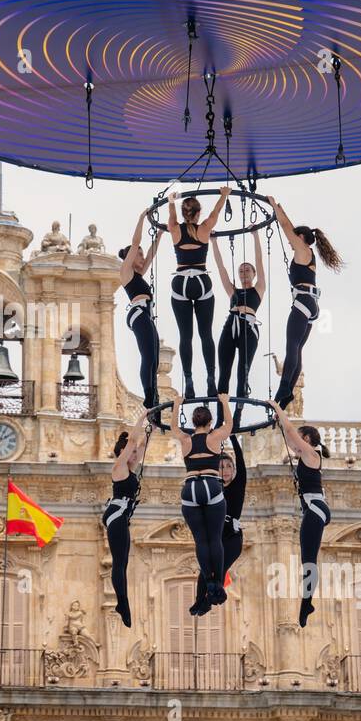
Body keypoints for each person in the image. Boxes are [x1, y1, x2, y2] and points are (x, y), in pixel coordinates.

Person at [268, 196, 343, 410]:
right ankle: (288, 391)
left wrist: (273, 205)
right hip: (311, 304)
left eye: (294, 238)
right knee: (297, 348)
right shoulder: (307, 254)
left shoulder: (303, 250)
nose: (290, 243)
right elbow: (288, 225)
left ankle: (284, 387)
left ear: (300, 237)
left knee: (292, 345)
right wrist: (279, 209)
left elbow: (285, 226)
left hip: (303, 301)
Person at [269, 399, 332, 627]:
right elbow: (289, 439)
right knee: (308, 560)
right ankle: (307, 603)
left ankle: (307, 604)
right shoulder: (308, 457)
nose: (295, 446)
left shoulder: (311, 455)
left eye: (299, 440)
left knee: (309, 561)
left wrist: (277, 408)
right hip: (316, 509)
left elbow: (290, 432)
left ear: (306, 439)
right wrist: (278, 424)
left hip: (315, 509)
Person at [169, 391, 232, 607]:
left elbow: (173, 426)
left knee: (201, 541)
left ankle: (209, 581)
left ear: (193, 422)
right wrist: (224, 402)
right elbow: (229, 425)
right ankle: (218, 582)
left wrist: (177, 405)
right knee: (215, 538)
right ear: (210, 422)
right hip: (211, 485)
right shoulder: (214, 438)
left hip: (191, 489)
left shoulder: (185, 440)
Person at [166, 186, 229, 399]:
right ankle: (211, 379)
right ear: (198, 213)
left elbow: (171, 215)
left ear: (184, 213)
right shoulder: (205, 228)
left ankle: (189, 381)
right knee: (206, 334)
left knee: (186, 336)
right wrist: (224, 195)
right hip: (202, 281)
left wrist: (171, 201)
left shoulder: (174, 229)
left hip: (181, 283)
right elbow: (216, 212)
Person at [102, 410, 153, 627]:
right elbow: (133, 442)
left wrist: (152, 428)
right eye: (129, 453)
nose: (134, 456)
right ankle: (122, 603)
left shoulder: (130, 469)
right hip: (116, 515)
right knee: (118, 561)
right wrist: (142, 418)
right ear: (123, 452)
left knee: (123, 562)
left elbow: (141, 446)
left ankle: (123, 603)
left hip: (121, 516)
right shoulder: (119, 467)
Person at [212, 228, 265, 427]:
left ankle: (238, 416)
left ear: (253, 274)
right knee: (224, 374)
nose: (243, 273)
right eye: (241, 271)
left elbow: (259, 260)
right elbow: (221, 268)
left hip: (248, 328)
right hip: (231, 325)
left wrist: (255, 236)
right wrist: (214, 242)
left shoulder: (258, 289)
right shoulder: (233, 291)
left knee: (243, 372)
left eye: (247, 270)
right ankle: (220, 418)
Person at [190, 432, 246, 616]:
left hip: (232, 537)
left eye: (229, 466)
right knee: (205, 571)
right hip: (215, 535)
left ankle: (208, 601)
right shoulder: (212, 487)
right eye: (222, 466)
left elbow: (242, 464)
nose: (226, 470)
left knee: (220, 570)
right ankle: (200, 601)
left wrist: (233, 438)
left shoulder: (238, 485)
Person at [118, 210, 164, 411]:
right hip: (138, 313)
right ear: (130, 256)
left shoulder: (139, 274)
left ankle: (154, 396)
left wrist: (160, 233)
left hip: (146, 314)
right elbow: (135, 242)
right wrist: (142, 217)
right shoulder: (126, 273)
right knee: (147, 355)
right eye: (139, 254)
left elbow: (152, 254)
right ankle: (149, 396)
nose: (143, 257)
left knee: (154, 357)